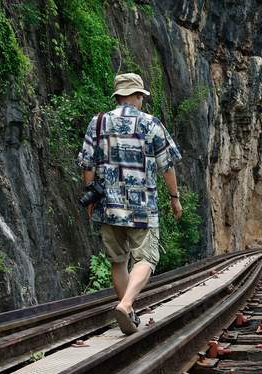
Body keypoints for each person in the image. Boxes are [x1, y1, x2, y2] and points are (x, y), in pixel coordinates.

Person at [76, 72, 183, 335]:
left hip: (108, 207)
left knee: (118, 261)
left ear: (117, 96)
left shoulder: (98, 122)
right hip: (141, 208)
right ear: (137, 96)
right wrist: (174, 198)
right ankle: (125, 306)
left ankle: (129, 313)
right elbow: (167, 166)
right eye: (142, 96)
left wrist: (91, 198)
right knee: (147, 257)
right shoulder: (150, 123)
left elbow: (87, 165)